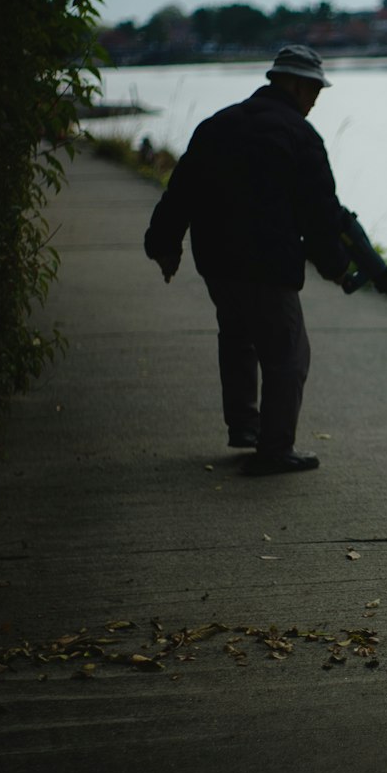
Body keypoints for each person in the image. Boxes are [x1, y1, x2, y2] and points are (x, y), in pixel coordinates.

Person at [144, 45, 350, 475]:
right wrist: (335, 266)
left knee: (237, 336)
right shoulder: (300, 135)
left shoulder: (217, 125)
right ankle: (275, 449)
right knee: (288, 355)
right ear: (294, 85)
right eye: (314, 91)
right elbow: (319, 212)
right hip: (269, 266)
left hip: (216, 260)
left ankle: (244, 427)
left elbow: (180, 190)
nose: (314, 101)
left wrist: (164, 244)